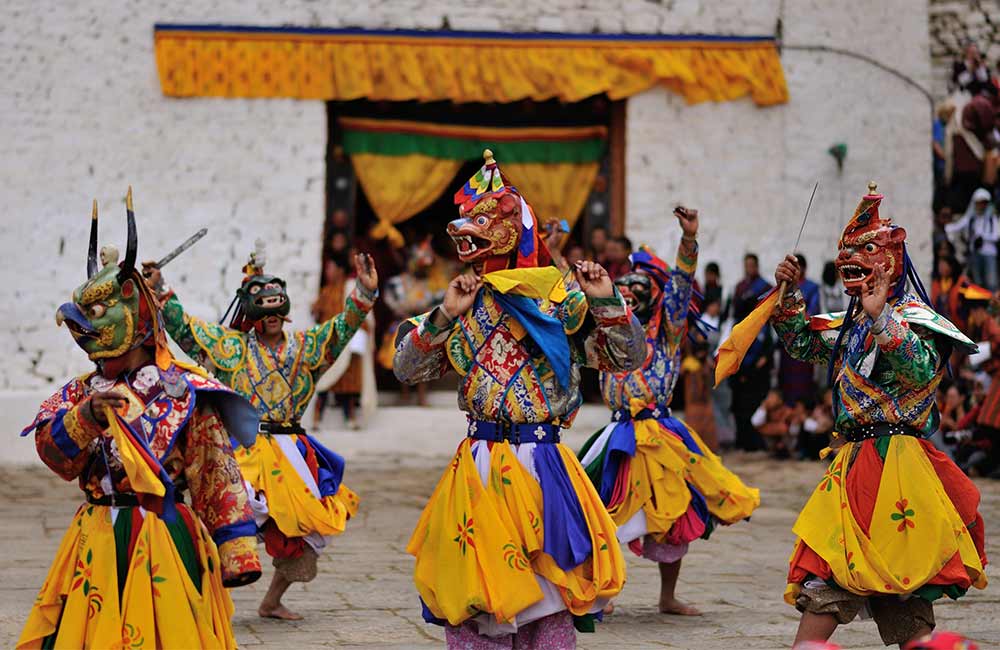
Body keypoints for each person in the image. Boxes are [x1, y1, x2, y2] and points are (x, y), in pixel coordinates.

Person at [393, 150, 646, 647]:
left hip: (542, 463)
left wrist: (606, 301)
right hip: (480, 464)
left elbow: (625, 357)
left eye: (483, 222)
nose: (467, 232)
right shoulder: (463, 301)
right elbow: (407, 369)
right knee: (477, 595)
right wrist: (443, 317)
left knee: (545, 596)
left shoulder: (560, 301)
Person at [18, 193, 262, 648]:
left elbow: (214, 469)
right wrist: (86, 418)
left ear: (133, 312)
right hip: (96, 537)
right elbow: (55, 456)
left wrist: (236, 546)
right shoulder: (80, 392)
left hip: (163, 535)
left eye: (97, 313)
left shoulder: (185, 390)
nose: (82, 325)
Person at [771, 183, 986, 647]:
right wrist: (787, 296)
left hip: (900, 463)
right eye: (847, 252)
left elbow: (923, 373)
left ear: (888, 259)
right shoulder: (850, 324)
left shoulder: (914, 318)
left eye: (864, 250)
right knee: (830, 573)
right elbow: (802, 343)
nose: (851, 260)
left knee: (900, 588)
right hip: (854, 463)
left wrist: (881, 319)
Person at [144, 242, 378, 621]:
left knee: (310, 531)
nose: (271, 318)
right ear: (253, 315)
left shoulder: (306, 348)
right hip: (245, 449)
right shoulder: (231, 348)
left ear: (284, 312)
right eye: (263, 311)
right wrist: (160, 288)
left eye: (276, 310)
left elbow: (341, 329)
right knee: (228, 521)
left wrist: (364, 294)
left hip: (293, 455)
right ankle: (198, 597)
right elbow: (186, 329)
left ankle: (271, 601)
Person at [578, 220, 759, 617]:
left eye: (638, 291)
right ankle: (604, 593)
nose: (629, 297)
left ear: (655, 297)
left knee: (674, 517)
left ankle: (666, 596)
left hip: (661, 432)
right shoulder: (608, 329)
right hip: (617, 432)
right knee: (603, 513)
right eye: (623, 292)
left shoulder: (668, 332)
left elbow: (681, 284)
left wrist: (689, 240)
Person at [312, 255, 376, 429]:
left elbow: (363, 313)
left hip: (349, 341)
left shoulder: (351, 288)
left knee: (349, 381)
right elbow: (317, 311)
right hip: (331, 341)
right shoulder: (326, 291)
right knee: (324, 379)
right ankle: (317, 418)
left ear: (339, 270)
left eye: (330, 268)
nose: (328, 272)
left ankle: (351, 418)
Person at [729, 253, 775, 451]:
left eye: (751, 265)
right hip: (742, 344)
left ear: (756, 266)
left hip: (759, 350)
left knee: (756, 399)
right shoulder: (740, 287)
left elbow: (769, 315)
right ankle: (742, 440)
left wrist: (764, 357)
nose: (748, 268)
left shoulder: (764, 287)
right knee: (739, 402)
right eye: (746, 264)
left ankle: (757, 441)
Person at [948, 188, 999, 289]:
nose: (981, 205)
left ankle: (992, 304)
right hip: (974, 253)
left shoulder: (992, 218)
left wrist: (983, 237)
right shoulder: (971, 218)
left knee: (991, 282)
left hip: (989, 253)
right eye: (979, 203)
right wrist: (946, 228)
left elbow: (997, 235)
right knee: (976, 283)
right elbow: (957, 226)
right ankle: (978, 304)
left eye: (984, 203)